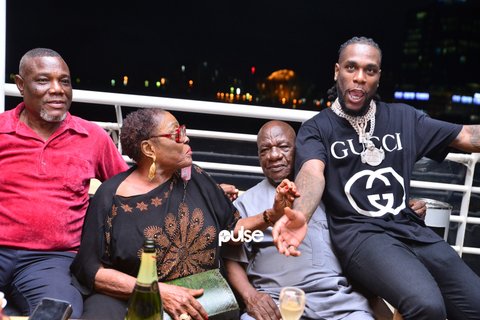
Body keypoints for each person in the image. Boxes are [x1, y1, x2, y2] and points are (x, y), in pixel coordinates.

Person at [272, 36, 480, 320]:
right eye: (351, 68)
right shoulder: (316, 129)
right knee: (427, 306)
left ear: (378, 77)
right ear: (337, 72)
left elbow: (467, 136)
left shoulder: (405, 118)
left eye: (369, 70)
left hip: (411, 229)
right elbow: (312, 173)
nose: (359, 77)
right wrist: (300, 214)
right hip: (361, 236)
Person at [70, 108, 285, 320]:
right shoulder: (110, 197)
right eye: (177, 133)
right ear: (149, 148)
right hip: (130, 297)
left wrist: (271, 215)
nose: (186, 138)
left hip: (202, 298)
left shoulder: (196, 178)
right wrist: (159, 292)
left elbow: (230, 231)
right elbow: (91, 271)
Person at [224, 120, 426, 320]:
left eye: (283, 147)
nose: (274, 155)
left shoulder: (334, 191)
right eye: (264, 150)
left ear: (299, 150)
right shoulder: (246, 203)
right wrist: (251, 297)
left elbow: (378, 215)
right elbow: (231, 258)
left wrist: (406, 212)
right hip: (278, 303)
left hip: (339, 302)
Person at [0, 48, 129, 318]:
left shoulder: (92, 137)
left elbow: (128, 189)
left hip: (50, 260)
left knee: (61, 310)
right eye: (43, 80)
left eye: (65, 81)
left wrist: (191, 188)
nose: (58, 89)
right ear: (21, 85)